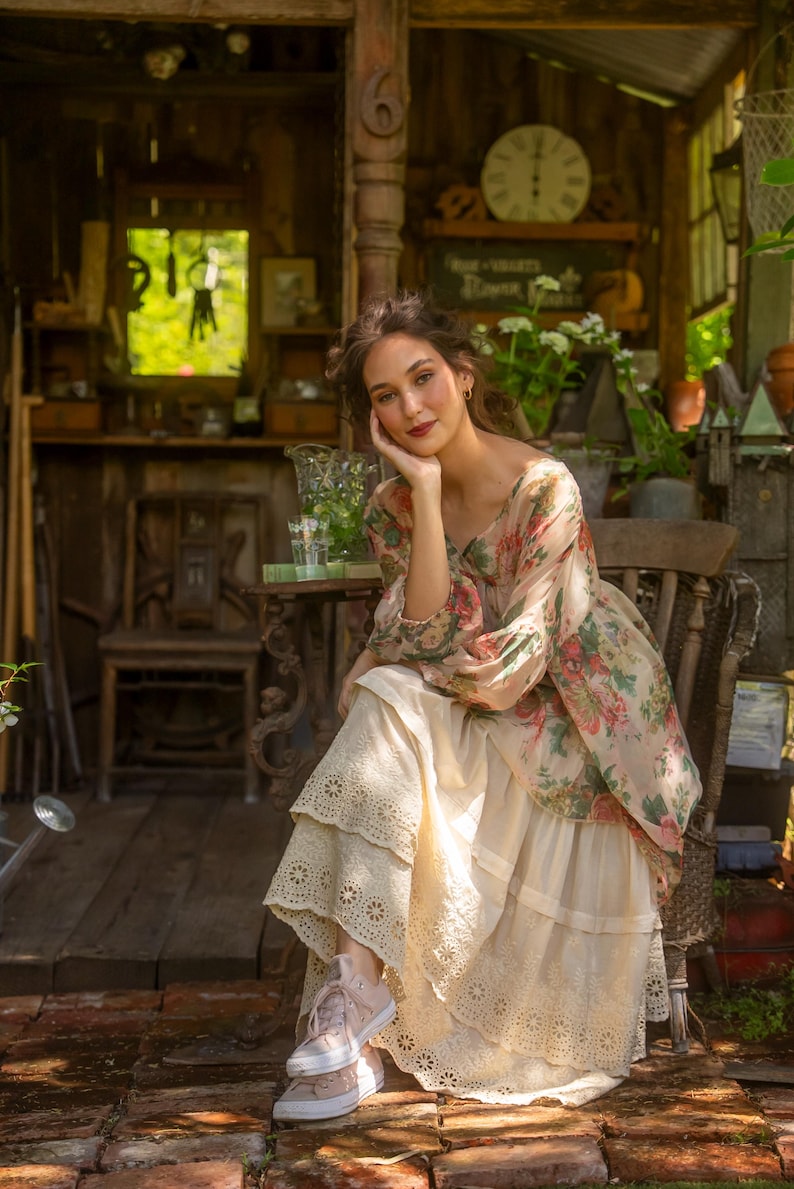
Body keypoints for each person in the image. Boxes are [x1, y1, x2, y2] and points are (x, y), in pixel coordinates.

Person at [264, 289, 702, 1124]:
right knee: (386, 696)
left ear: (462, 375)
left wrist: (399, 655)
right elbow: (435, 630)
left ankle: (354, 1015)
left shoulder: (544, 486)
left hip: (578, 716)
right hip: (472, 702)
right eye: (386, 395)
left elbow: (508, 673)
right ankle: (357, 1000)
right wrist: (426, 496)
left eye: (422, 377)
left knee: (387, 692)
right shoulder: (393, 506)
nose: (410, 406)